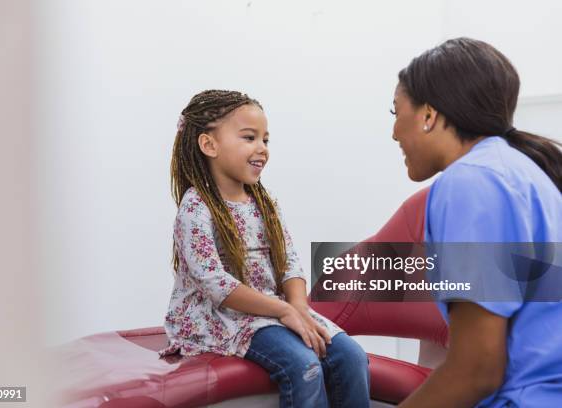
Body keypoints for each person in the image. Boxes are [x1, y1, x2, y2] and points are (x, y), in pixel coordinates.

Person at [160, 90, 370, 407]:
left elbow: (290, 262)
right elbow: (215, 283)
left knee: (351, 356)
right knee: (304, 366)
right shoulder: (196, 208)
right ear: (209, 144)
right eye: (249, 137)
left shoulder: (263, 203)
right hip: (223, 317)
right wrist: (284, 310)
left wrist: (298, 307)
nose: (262, 149)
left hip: (271, 311)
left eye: (265, 140)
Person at [391, 38, 562, 407]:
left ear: (428, 115)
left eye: (395, 113)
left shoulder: (471, 183)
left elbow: (477, 370)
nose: (394, 133)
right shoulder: (519, 171)